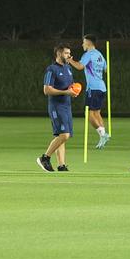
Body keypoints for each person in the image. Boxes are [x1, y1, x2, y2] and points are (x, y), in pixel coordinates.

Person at [64, 34, 109, 149]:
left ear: (88, 43)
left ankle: (103, 135)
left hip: (93, 88)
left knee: (89, 115)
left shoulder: (88, 54)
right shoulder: (100, 55)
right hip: (102, 87)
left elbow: (79, 66)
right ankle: (103, 137)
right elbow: (105, 69)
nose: (82, 44)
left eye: (83, 42)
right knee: (97, 113)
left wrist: (70, 60)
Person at [38, 44, 77, 172]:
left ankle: (61, 165)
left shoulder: (68, 68)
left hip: (67, 106)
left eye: (69, 53)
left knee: (63, 136)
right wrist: (66, 92)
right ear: (59, 54)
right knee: (64, 135)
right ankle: (45, 157)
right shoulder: (51, 69)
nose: (69, 55)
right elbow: (46, 89)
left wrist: (74, 90)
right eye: (66, 53)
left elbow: (69, 86)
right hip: (56, 106)